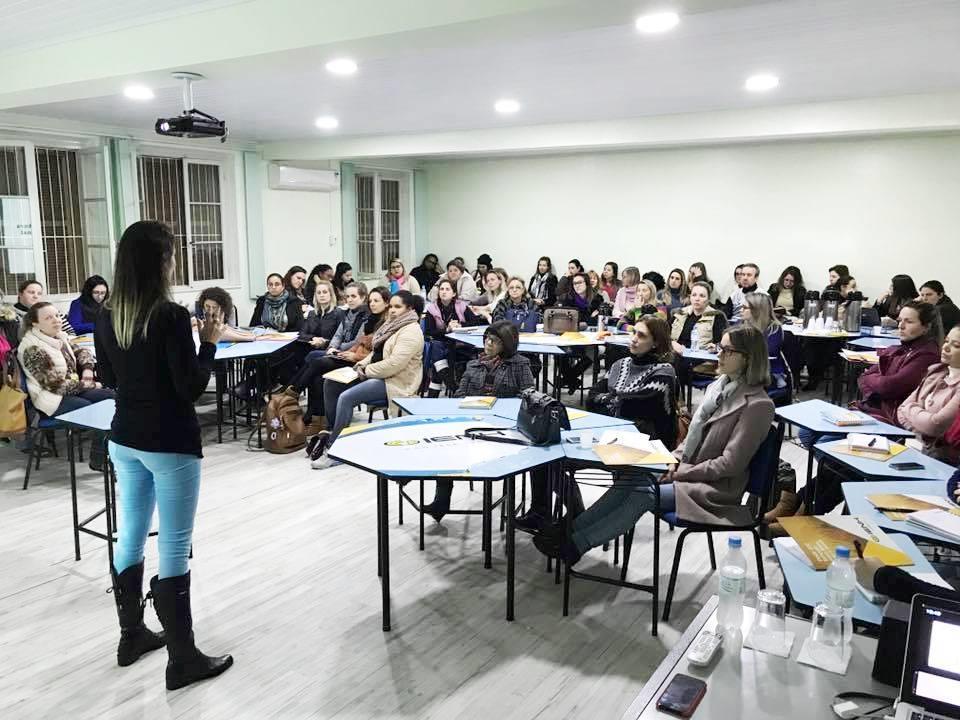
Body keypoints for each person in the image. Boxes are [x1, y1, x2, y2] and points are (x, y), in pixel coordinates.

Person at [94, 220, 232, 690]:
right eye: (172, 254)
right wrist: (210, 342)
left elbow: (111, 377)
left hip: (124, 437)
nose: (175, 261)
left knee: (130, 531)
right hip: (169, 441)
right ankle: (182, 657)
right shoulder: (169, 316)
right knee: (173, 543)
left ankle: (131, 635)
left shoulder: (107, 313)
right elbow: (191, 387)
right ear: (161, 261)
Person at [533, 325, 775, 566]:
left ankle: (575, 545)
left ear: (748, 358)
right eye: (720, 348)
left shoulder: (757, 405)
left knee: (644, 491)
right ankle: (568, 533)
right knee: (634, 478)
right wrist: (671, 461)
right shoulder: (718, 387)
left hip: (716, 489)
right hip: (688, 471)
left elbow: (729, 465)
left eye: (727, 350)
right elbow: (693, 437)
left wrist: (679, 470)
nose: (718, 354)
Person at [421, 322, 536, 521]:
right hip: (473, 422)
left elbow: (528, 397)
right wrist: (470, 404)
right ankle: (441, 500)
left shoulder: (520, 364)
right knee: (447, 444)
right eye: (486, 339)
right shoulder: (474, 364)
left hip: (504, 426)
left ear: (507, 344)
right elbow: (460, 394)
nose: (488, 344)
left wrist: (499, 406)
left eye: (494, 341)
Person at [311, 290, 424, 470]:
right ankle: (335, 432)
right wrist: (359, 366)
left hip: (394, 381)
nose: (393, 310)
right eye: (391, 306)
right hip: (375, 373)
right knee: (331, 383)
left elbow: (395, 364)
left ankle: (337, 450)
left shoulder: (411, 331)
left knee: (346, 397)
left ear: (409, 308)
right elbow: (374, 353)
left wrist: (365, 370)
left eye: (398, 307)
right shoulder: (391, 324)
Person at [284, 282, 371, 433]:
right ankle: (317, 420)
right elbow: (338, 335)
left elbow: (357, 342)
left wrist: (336, 349)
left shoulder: (364, 316)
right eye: (347, 296)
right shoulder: (347, 314)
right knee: (316, 376)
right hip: (339, 353)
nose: (349, 300)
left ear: (363, 298)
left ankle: (293, 392)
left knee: (314, 359)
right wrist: (332, 348)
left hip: (353, 358)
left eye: (353, 296)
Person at [18, 301, 114, 417]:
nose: (56, 320)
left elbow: (82, 351)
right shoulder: (32, 348)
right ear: (35, 324)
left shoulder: (59, 336)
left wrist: (87, 368)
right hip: (50, 398)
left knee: (110, 396)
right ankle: (96, 434)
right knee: (89, 408)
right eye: (48, 318)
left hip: (72, 388)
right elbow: (54, 385)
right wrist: (90, 385)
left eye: (57, 315)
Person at [856, 301, 942, 424]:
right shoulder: (897, 349)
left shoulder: (927, 355)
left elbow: (888, 386)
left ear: (926, 327)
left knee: (828, 439)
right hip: (877, 411)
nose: (901, 326)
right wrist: (877, 391)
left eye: (909, 322)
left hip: (893, 420)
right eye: (900, 320)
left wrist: (876, 386)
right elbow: (863, 378)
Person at [896, 324, 960, 464]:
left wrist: (912, 411)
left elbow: (935, 425)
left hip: (941, 460)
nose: (946, 347)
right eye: (946, 341)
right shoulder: (937, 371)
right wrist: (922, 428)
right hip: (912, 445)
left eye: (956, 345)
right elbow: (901, 409)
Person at [423, 278, 483, 396]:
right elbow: (429, 331)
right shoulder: (432, 308)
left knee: (438, 363)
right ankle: (451, 385)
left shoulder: (461, 306)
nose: (444, 292)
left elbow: (476, 322)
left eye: (447, 289)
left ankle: (434, 394)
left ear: (454, 293)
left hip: (460, 344)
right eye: (441, 289)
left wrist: (460, 325)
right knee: (437, 345)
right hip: (442, 342)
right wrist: (447, 330)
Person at [558, 272, 603, 392]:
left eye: (579, 282)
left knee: (592, 353)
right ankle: (573, 380)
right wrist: (587, 319)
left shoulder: (597, 298)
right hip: (569, 336)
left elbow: (596, 321)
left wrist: (583, 321)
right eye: (574, 283)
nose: (577, 286)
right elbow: (563, 320)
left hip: (588, 338)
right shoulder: (567, 298)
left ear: (587, 283)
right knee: (558, 351)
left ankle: (568, 379)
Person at [741, 293, 786, 389]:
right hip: (746, 369)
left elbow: (767, 352)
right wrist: (718, 346)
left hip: (769, 372)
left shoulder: (774, 329)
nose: (741, 311)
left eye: (745, 308)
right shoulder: (741, 324)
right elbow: (731, 342)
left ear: (756, 310)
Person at [296, 279, 344, 353]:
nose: (322, 295)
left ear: (331, 294)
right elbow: (301, 334)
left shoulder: (338, 313)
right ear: (315, 296)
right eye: (319, 293)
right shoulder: (312, 313)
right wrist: (314, 338)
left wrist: (324, 342)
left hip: (329, 349)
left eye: (325, 292)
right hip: (311, 346)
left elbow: (341, 338)